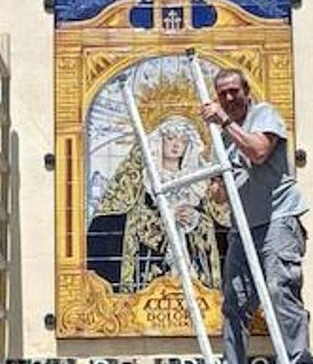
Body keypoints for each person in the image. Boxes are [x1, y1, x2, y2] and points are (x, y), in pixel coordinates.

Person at [199, 68, 313, 364]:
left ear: (246, 91)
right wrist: (216, 187)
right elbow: (220, 196)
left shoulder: (264, 115)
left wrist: (225, 122)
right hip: (243, 228)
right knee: (235, 300)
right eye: (222, 93)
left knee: (280, 289)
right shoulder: (220, 140)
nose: (228, 97)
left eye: (233, 91)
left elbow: (259, 152)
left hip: (278, 218)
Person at [88, 115, 228, 293]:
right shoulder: (141, 177)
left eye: (183, 141)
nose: (176, 145)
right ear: (158, 141)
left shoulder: (200, 179)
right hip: (148, 264)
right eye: (170, 138)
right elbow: (118, 216)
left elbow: (219, 222)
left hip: (192, 264)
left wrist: (196, 221)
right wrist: (165, 220)